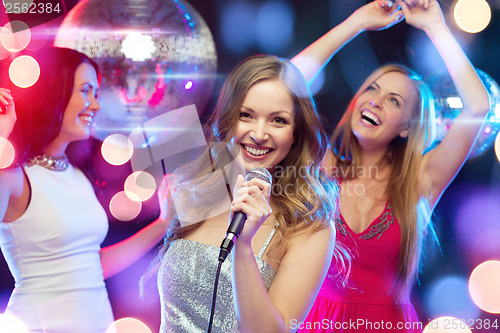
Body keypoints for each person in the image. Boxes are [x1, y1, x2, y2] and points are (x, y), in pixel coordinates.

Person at [291, 0, 490, 332]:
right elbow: (285, 82)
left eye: (394, 101)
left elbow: (479, 107)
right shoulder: (320, 165)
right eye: (372, 88)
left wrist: (436, 28)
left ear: (407, 127)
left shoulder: (421, 180)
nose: (375, 101)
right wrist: (356, 23)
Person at [151, 54, 344, 332]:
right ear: (229, 118)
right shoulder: (192, 196)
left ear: (296, 134)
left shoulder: (310, 227)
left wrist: (243, 247)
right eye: (246, 115)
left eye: (278, 120)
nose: (259, 133)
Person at [0, 47, 168, 333]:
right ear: (54, 93)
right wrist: (2, 136)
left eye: (96, 93)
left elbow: (93, 265)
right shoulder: (13, 178)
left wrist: (165, 222)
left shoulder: (77, 175)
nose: (95, 105)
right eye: (86, 91)